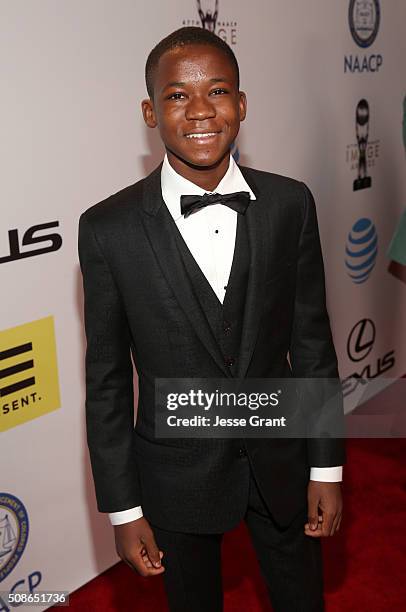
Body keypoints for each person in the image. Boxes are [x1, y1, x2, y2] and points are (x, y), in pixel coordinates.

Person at [78, 26, 346, 612]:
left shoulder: (289, 204)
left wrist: (326, 466)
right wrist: (124, 509)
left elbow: (313, 345)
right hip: (174, 475)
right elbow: (107, 381)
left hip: (282, 459)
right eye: (177, 95)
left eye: (218, 91)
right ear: (150, 111)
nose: (200, 110)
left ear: (242, 104)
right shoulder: (108, 229)